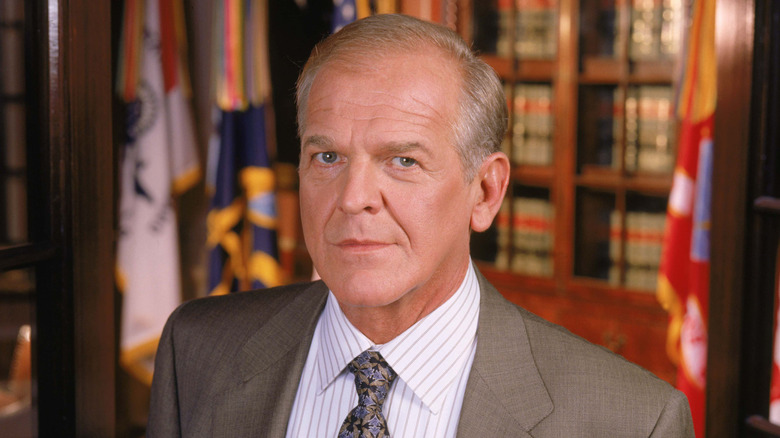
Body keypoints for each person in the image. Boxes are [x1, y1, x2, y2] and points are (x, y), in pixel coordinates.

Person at [147, 13, 693, 437]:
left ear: (486, 192)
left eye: (403, 161)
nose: (353, 199)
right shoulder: (196, 353)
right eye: (328, 157)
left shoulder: (632, 422)